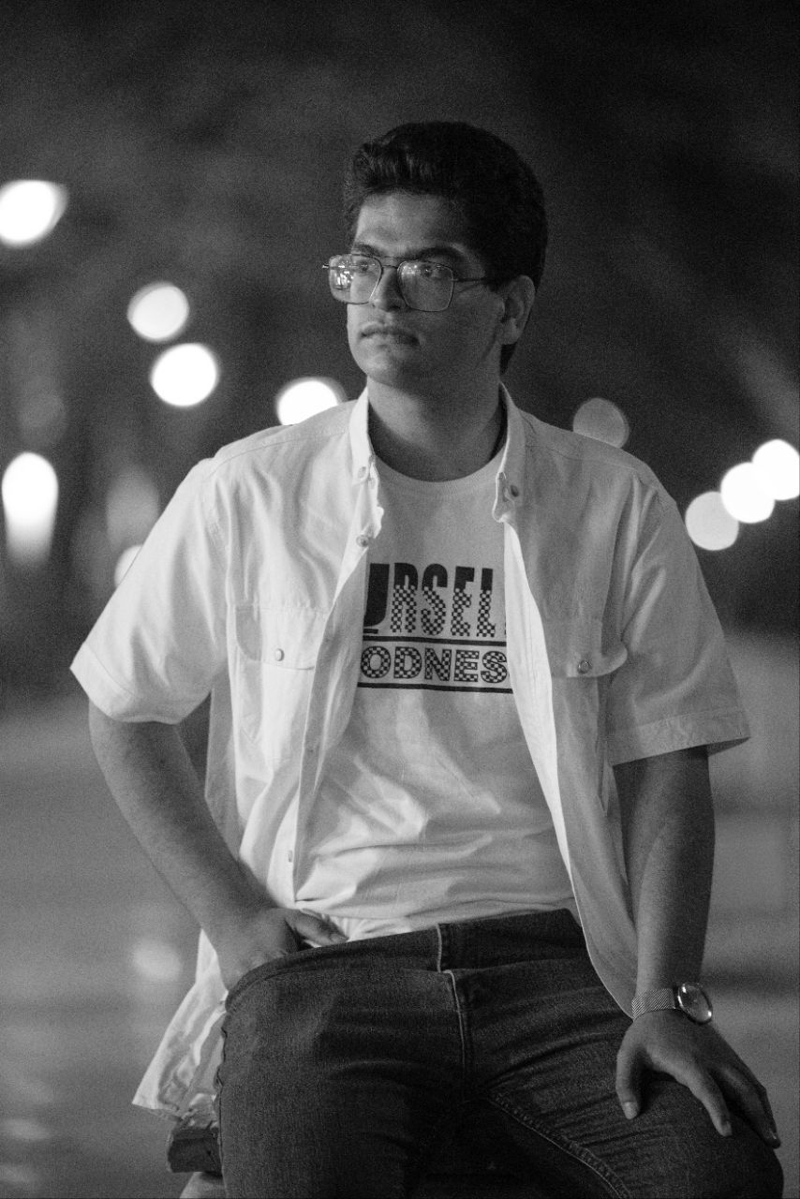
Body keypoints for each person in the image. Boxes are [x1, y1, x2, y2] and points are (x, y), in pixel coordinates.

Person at [72, 121, 784, 1198]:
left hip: (561, 967)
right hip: (327, 963)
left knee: (713, 1174)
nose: (383, 295)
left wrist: (664, 998)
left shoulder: (612, 505)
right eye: (364, 264)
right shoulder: (249, 490)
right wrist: (232, 915)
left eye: (430, 269)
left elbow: (666, 767)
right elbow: (124, 706)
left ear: (512, 306)